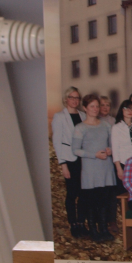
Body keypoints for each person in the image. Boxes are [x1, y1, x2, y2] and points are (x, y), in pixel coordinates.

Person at [72, 94, 116, 241]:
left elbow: (112, 145)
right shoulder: (80, 128)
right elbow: (75, 150)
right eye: (92, 106)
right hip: (90, 169)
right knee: (91, 201)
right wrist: (94, 155)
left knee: (104, 200)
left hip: (105, 167)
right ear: (85, 108)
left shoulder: (106, 125)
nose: (96, 109)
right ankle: (93, 230)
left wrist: (110, 150)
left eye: (97, 106)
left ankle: (103, 228)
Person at [52, 87, 87, 237]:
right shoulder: (59, 117)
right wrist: (63, 165)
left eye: (77, 97)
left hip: (84, 160)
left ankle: (81, 222)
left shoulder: (83, 115)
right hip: (69, 160)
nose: (74, 100)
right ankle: (73, 224)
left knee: (84, 193)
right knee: (72, 193)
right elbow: (57, 142)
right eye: (71, 97)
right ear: (66, 99)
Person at [111, 99, 132, 182]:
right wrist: (119, 168)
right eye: (127, 108)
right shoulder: (116, 128)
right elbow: (115, 150)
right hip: (123, 163)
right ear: (122, 110)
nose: (130, 111)